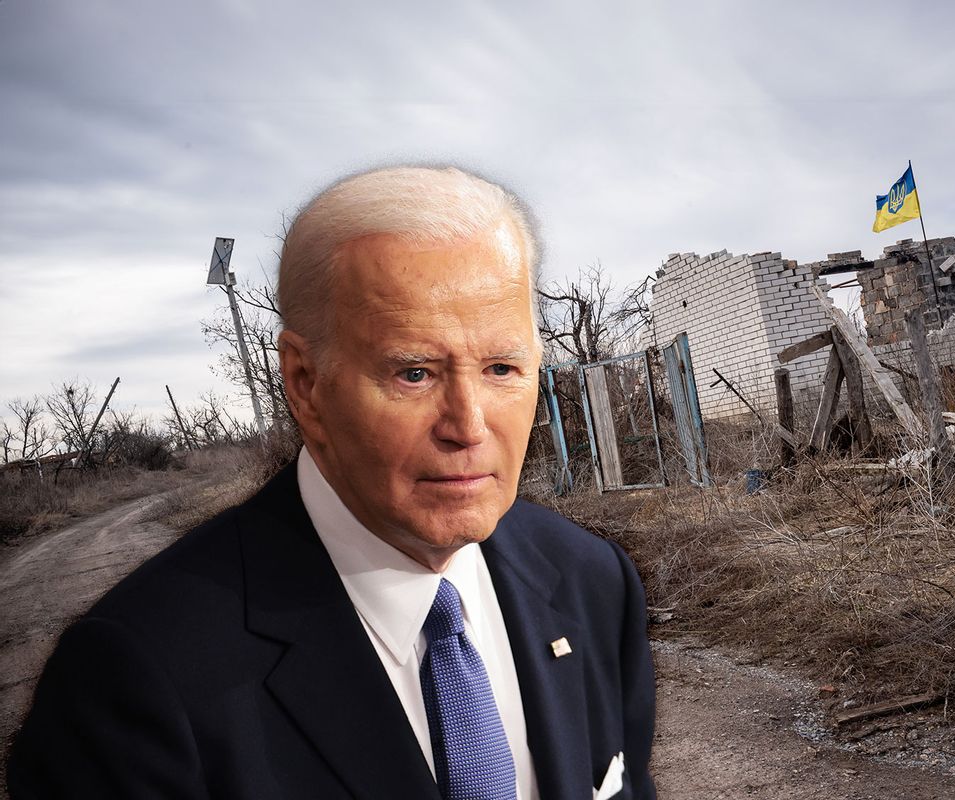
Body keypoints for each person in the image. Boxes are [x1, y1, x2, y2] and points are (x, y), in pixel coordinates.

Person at [8, 165, 656, 799]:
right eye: (414, 372)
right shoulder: (136, 681)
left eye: (502, 367)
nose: (469, 425)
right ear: (307, 385)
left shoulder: (592, 578)